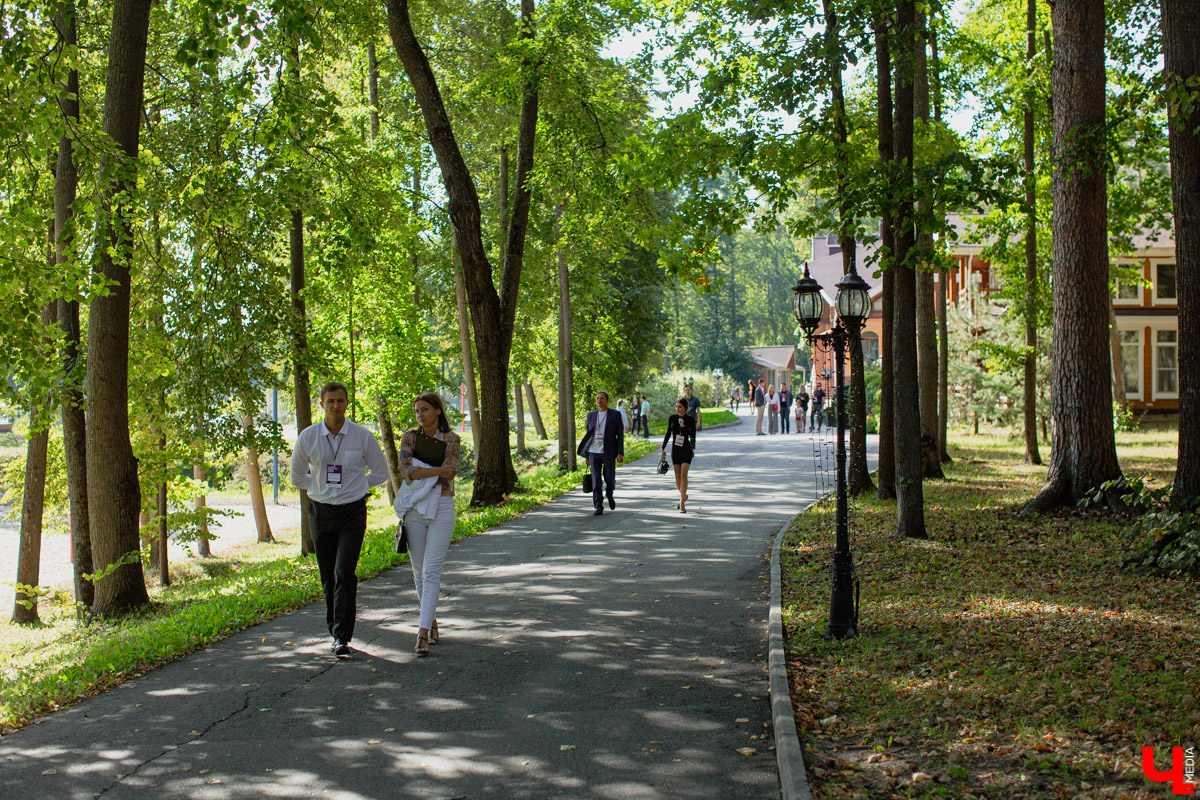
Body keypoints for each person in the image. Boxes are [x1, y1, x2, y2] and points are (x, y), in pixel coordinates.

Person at [289, 381, 389, 658]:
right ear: (321, 404)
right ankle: (334, 630)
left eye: (340, 401)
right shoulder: (308, 437)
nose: (336, 405)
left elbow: (380, 473)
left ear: (347, 404)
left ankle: (341, 637)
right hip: (321, 512)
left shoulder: (361, 436)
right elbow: (296, 476)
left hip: (352, 512)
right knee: (327, 575)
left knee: (344, 572)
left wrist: (356, 486)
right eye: (330, 401)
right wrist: (319, 485)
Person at [397, 393, 461, 656]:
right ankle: (430, 620)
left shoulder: (452, 439)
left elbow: (451, 471)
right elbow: (405, 471)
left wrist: (421, 469)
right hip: (413, 509)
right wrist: (434, 471)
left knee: (432, 570)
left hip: (442, 505)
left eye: (424, 409)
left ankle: (422, 631)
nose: (420, 415)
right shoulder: (409, 438)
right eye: (416, 411)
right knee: (419, 571)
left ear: (437, 410)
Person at [577, 391, 625, 515]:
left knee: (609, 477)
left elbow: (620, 435)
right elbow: (588, 435)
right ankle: (598, 506)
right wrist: (587, 455)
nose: (599, 400)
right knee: (596, 479)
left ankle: (609, 493)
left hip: (608, 451)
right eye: (598, 398)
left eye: (602, 398)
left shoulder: (615, 415)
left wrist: (620, 452)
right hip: (593, 451)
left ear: (607, 400)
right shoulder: (591, 415)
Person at [661, 398, 697, 513]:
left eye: (680, 406)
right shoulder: (672, 418)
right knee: (677, 477)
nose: (677, 409)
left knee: (683, 475)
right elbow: (668, 433)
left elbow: (692, 435)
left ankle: (682, 502)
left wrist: (683, 427)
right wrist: (662, 448)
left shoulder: (690, 419)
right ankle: (684, 495)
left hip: (686, 449)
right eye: (676, 406)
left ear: (685, 408)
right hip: (675, 450)